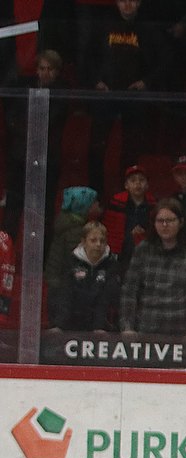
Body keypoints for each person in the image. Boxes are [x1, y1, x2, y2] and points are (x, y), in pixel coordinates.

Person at [84, 0, 164, 197]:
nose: (127, 5)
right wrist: (95, 81)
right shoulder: (103, 24)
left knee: (131, 150)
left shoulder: (148, 28)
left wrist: (146, 82)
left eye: (132, 1)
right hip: (106, 95)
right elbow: (87, 56)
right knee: (97, 148)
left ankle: (127, 196)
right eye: (123, 0)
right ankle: (96, 196)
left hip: (134, 97)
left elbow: (164, 60)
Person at [118, 198, 186, 341]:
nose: (165, 225)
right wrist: (127, 327)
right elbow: (129, 291)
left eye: (170, 220)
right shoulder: (143, 250)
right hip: (148, 330)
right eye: (160, 221)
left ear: (181, 222)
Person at [2, 48, 65, 235]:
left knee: (41, 212)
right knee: (13, 208)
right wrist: (25, 131)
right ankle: (6, 255)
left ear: (57, 72)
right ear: (36, 70)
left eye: (50, 69)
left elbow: (51, 123)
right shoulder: (24, 88)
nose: (46, 73)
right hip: (20, 157)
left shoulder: (62, 94)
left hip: (46, 160)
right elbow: (12, 117)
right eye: (42, 68)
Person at [47, 220, 120, 333]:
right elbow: (65, 295)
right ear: (83, 241)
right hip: (71, 325)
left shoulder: (111, 265)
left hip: (100, 328)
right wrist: (59, 325)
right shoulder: (71, 262)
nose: (98, 244)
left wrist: (99, 327)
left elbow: (105, 300)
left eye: (102, 241)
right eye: (93, 240)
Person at [46, 186, 101, 303]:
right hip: (63, 284)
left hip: (59, 281)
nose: (98, 204)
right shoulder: (74, 231)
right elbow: (74, 261)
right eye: (94, 202)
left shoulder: (70, 225)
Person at [101, 164, 154, 270]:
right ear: (126, 185)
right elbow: (109, 229)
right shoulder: (116, 203)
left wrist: (144, 234)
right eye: (133, 180)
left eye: (141, 180)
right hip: (121, 250)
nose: (137, 183)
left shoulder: (153, 205)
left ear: (147, 185)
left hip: (144, 251)